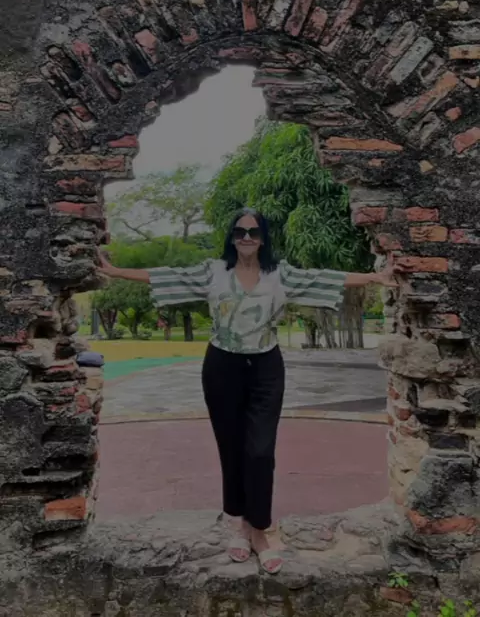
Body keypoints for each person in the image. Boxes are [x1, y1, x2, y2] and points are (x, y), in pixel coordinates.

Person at [98, 208, 405, 574]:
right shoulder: (213, 272)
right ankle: (241, 527)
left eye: (254, 232)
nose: (246, 237)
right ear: (232, 236)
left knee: (260, 450)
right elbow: (165, 275)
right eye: (240, 231)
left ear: (263, 239)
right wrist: (116, 272)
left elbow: (327, 278)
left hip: (265, 367)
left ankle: (260, 530)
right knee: (231, 448)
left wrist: (374, 277)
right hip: (221, 366)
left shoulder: (280, 274)